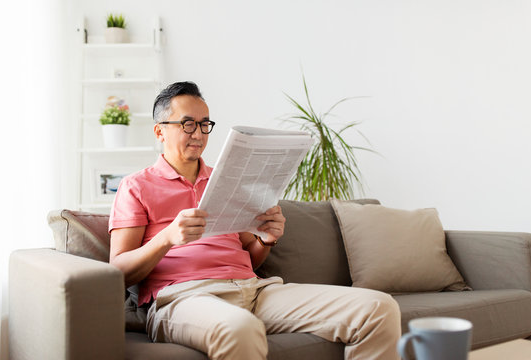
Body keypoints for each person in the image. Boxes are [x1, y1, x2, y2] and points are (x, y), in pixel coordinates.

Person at [109, 81, 401, 360]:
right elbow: (118, 270)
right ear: (160, 131)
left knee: (378, 307)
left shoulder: (227, 178)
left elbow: (252, 255)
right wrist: (168, 237)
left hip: (255, 289)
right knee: (240, 329)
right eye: (188, 124)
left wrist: (266, 239)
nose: (198, 134)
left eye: (204, 124)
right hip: (183, 298)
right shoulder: (136, 186)